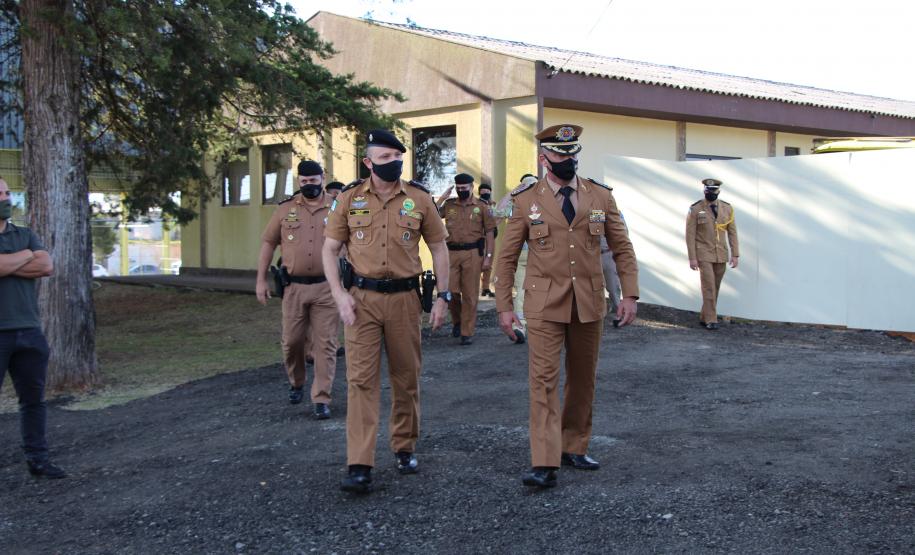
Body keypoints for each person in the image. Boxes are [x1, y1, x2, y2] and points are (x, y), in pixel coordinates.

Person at [495, 125, 639, 488]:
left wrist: (630, 295)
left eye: (573, 153)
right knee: (543, 382)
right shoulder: (527, 199)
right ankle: (544, 461)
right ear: (544, 159)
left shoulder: (600, 196)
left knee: (582, 379)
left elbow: (622, 248)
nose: (569, 160)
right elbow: (507, 257)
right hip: (543, 304)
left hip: (589, 302)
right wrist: (504, 307)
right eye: (560, 154)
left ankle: (574, 445)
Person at [322, 129, 451, 494]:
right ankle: (360, 463)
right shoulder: (348, 199)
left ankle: (404, 445)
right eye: (384, 159)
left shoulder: (420, 199)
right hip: (360, 301)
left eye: (397, 158)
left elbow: (439, 247)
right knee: (360, 381)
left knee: (405, 378)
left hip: (405, 300)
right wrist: (338, 294)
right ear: (368, 162)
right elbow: (330, 249)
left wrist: (444, 295)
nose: (393, 164)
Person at [256, 160, 340, 419]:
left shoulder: (338, 207)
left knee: (326, 345)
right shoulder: (285, 209)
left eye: (313, 181)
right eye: (304, 182)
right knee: (292, 342)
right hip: (294, 288)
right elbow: (269, 243)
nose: (309, 186)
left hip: (327, 287)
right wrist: (260, 280)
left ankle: (321, 397)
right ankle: (297, 382)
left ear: (322, 178)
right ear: (298, 181)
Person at [0, 177, 65, 479]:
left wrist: (13, 260)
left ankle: (38, 461)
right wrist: (26, 256)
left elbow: (46, 266)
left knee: (34, 401)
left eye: (7, 192)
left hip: (29, 330)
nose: (5, 198)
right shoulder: (28, 243)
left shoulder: (24, 233)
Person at [438, 173, 496, 345]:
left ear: (471, 187)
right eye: (459, 188)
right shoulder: (449, 205)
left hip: (473, 254)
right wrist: (442, 198)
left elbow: (490, 233)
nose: (461, 191)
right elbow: (430, 213)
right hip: (451, 253)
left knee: (470, 294)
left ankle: (466, 331)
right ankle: (457, 321)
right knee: (451, 291)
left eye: (464, 188)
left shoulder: (482, 206)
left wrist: (488, 257)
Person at [686, 178, 739, 330]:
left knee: (715, 286)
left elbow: (732, 233)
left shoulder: (727, 209)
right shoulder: (695, 209)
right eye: (708, 191)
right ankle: (711, 319)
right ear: (704, 191)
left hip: (720, 253)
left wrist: (735, 254)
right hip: (703, 253)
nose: (711, 193)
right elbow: (690, 235)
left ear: (719, 191)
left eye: (713, 191)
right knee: (708, 286)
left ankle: (704, 316)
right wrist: (692, 258)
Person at [493, 174, 537, 345]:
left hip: (541, 255)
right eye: (526, 184)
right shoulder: (517, 200)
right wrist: (513, 193)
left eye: (532, 184)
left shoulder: (545, 199)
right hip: (522, 255)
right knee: (521, 292)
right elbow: (497, 214)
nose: (529, 187)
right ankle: (521, 327)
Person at [477, 183, 496, 298]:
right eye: (483, 192)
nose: (485, 194)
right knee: (479, 263)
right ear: (479, 193)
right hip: (480, 238)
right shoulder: (477, 205)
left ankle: (486, 288)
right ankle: (473, 287)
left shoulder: (493, 205)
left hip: (492, 238)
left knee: (489, 264)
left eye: (487, 192)